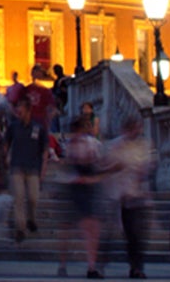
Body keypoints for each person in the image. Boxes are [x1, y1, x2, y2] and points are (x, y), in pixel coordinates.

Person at [106, 114, 154, 280]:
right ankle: (131, 265)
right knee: (129, 233)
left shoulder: (144, 145)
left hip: (140, 196)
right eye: (133, 128)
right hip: (123, 195)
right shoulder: (116, 145)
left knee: (138, 234)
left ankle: (137, 267)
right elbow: (107, 166)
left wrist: (144, 170)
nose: (137, 131)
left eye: (138, 128)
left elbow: (150, 165)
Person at [60, 116, 104, 279]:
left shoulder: (88, 144)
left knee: (90, 228)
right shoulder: (73, 145)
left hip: (87, 187)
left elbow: (97, 165)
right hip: (77, 187)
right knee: (78, 228)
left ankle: (90, 265)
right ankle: (67, 262)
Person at [4, 95, 48, 242]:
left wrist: (43, 169)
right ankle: (20, 227)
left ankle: (31, 218)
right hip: (17, 166)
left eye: (20, 108)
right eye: (17, 108)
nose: (18, 111)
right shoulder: (13, 127)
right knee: (18, 198)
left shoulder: (38, 128)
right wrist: (5, 158)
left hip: (33, 167)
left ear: (28, 110)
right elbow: (6, 144)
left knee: (33, 198)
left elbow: (45, 150)